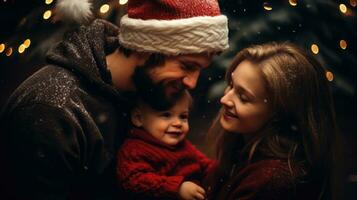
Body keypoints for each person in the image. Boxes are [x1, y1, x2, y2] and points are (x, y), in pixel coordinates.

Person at [0, 0, 229, 199]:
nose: (192, 83)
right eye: (187, 66)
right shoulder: (50, 110)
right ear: (146, 49)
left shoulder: (147, 91)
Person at [204, 42, 343, 200]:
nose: (224, 99)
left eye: (243, 98)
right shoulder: (241, 149)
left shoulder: (271, 183)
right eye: (230, 86)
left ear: (281, 112)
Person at [117, 91, 213, 200]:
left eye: (183, 116)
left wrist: (220, 172)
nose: (178, 123)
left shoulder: (183, 145)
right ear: (138, 118)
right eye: (166, 115)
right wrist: (177, 188)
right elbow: (133, 181)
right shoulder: (134, 149)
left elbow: (205, 164)